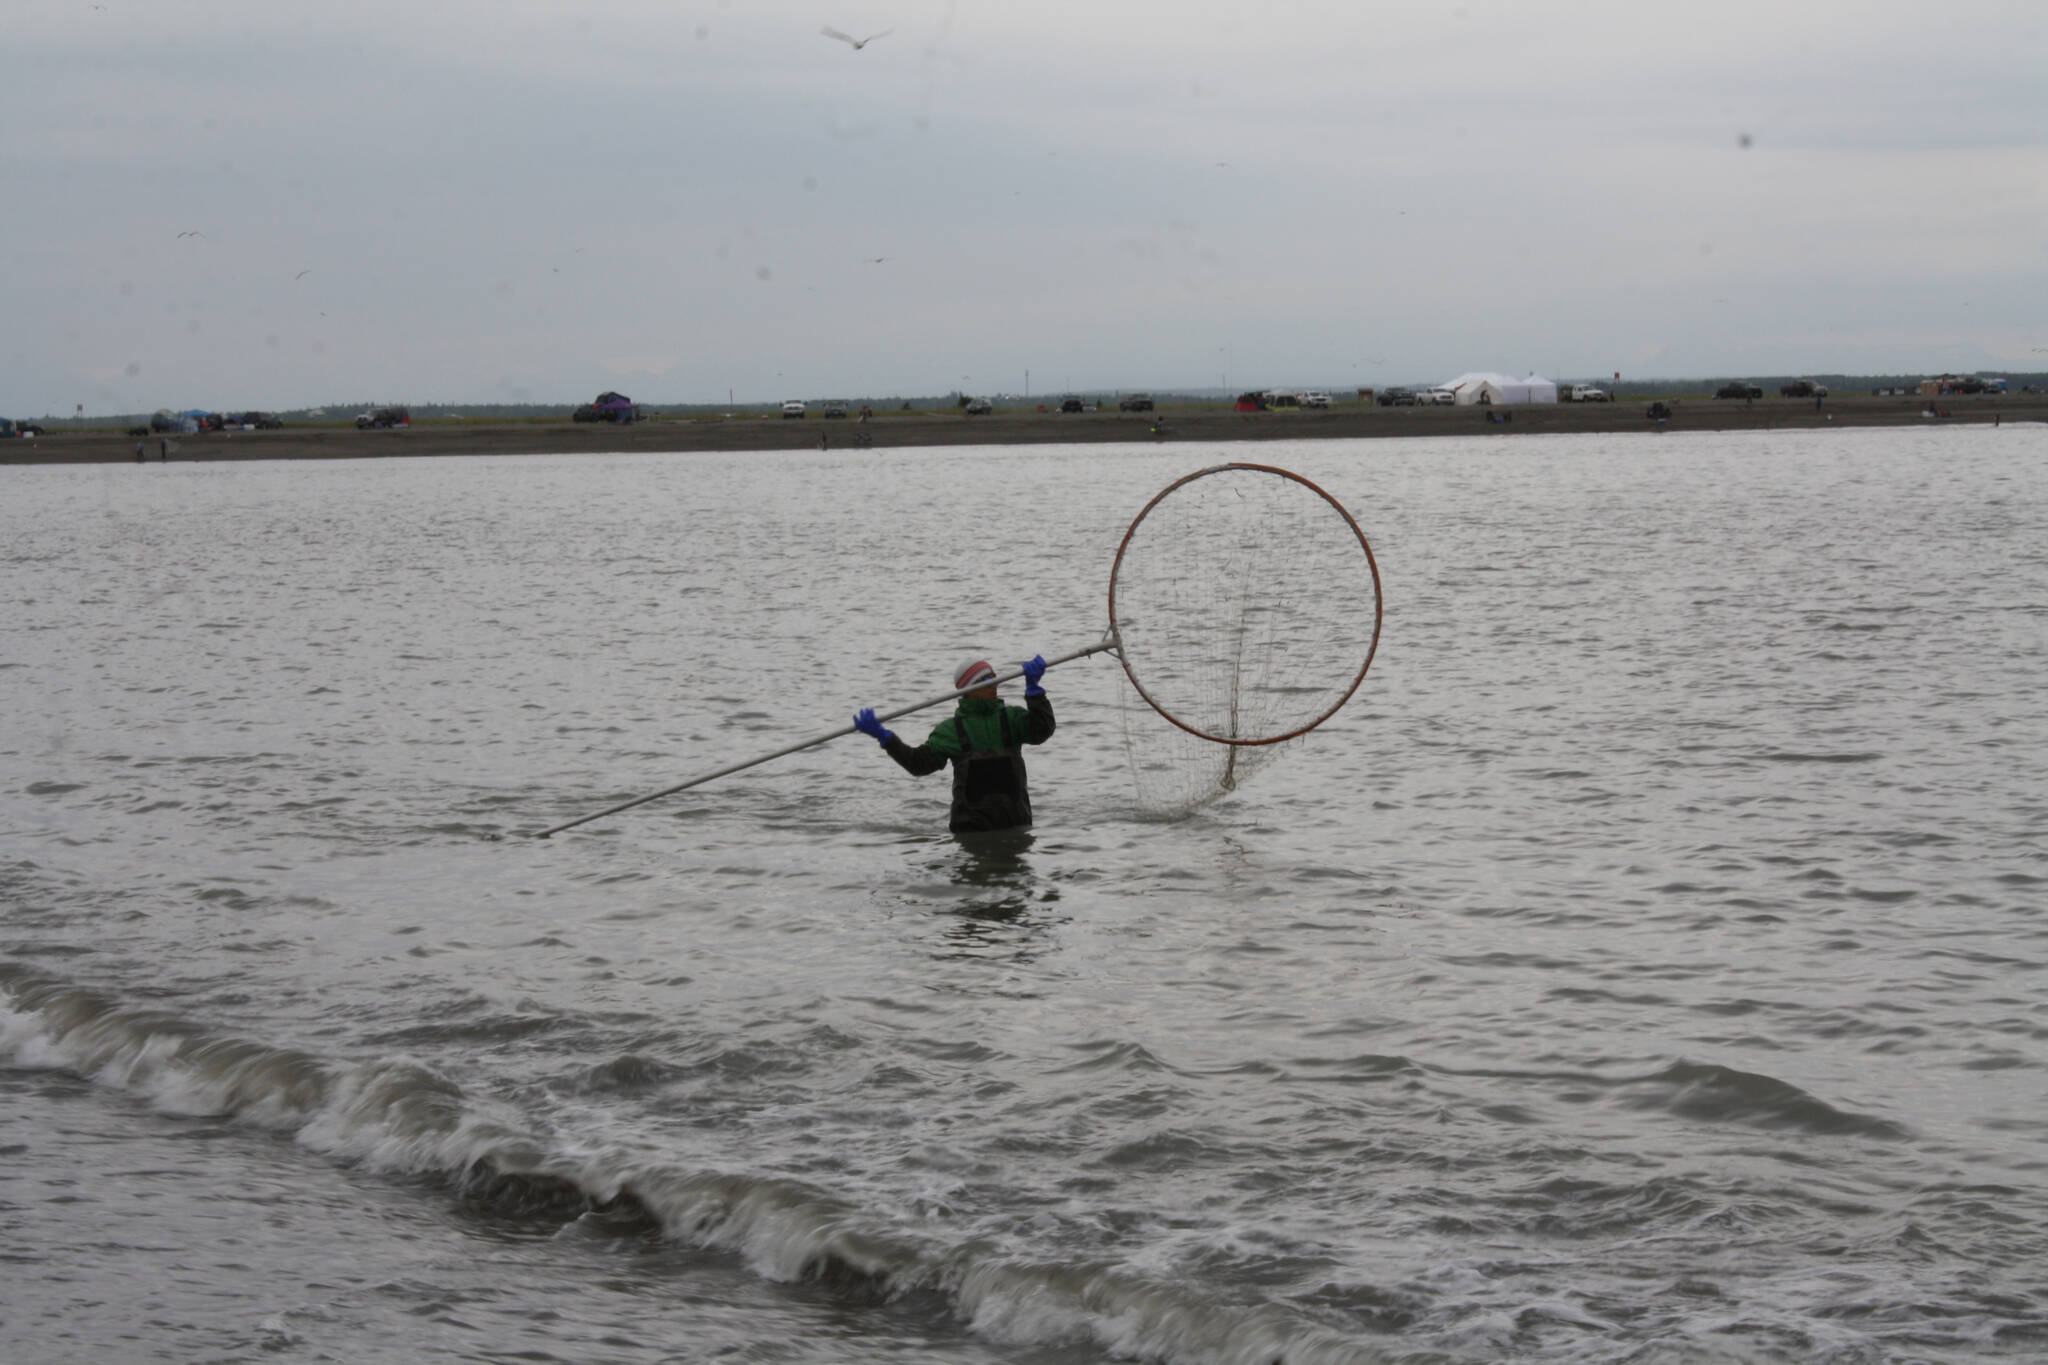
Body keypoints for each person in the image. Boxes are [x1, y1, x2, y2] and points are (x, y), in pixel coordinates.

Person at [853, 655, 1054, 833]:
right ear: (969, 688)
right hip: (970, 829)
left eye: (995, 676)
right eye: (986, 679)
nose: (995, 683)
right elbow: (918, 764)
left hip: (1017, 825)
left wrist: (1034, 691)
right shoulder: (949, 731)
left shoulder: (1011, 718)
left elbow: (1042, 730)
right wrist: (885, 738)